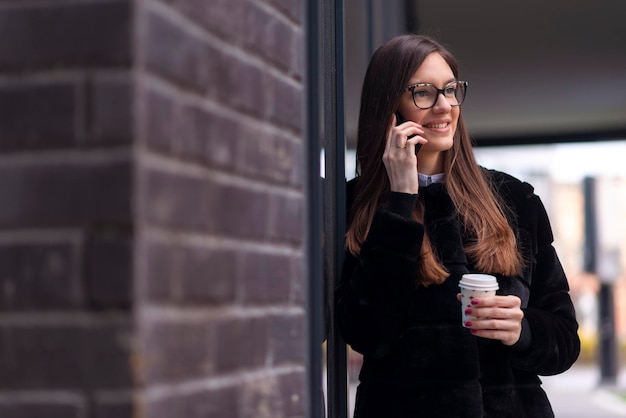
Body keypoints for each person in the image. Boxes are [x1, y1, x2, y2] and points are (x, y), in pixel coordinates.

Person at [336, 34, 580, 417]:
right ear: (389, 108)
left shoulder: (514, 199)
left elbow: (565, 340)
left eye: (450, 90)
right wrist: (400, 198)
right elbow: (366, 332)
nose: (444, 106)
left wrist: (523, 331)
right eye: (423, 92)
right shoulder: (355, 206)